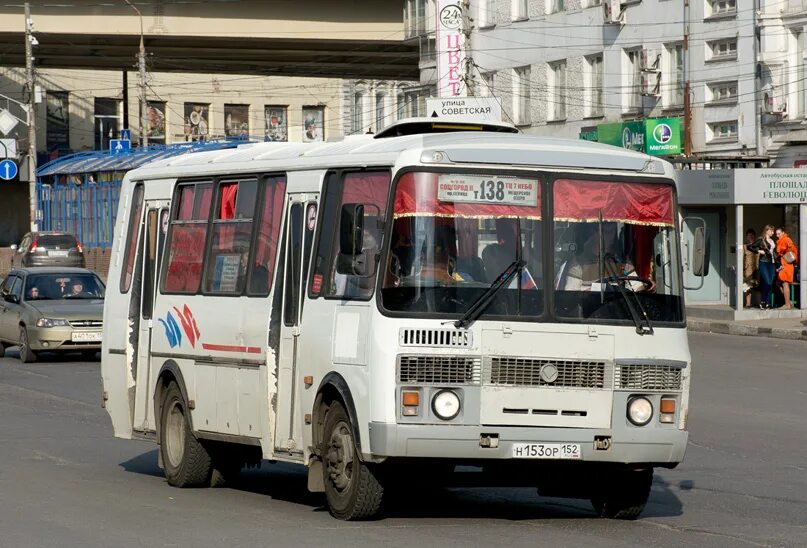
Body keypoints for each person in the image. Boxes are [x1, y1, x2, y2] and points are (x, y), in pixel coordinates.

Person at [749, 225, 777, 309]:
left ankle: (767, 303)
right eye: (771, 231)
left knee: (770, 283)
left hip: (772, 263)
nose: (773, 232)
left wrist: (777, 263)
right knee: (768, 282)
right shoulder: (761, 240)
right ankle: (763, 300)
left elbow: (773, 252)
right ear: (767, 230)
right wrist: (759, 251)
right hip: (763, 263)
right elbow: (750, 247)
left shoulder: (772, 240)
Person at [775, 227, 798, 309]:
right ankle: (788, 301)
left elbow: (781, 250)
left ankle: (787, 304)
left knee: (785, 283)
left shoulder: (784, 240)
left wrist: (779, 252)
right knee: (778, 282)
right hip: (786, 264)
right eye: (776, 234)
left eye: (779, 233)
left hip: (786, 264)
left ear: (783, 232)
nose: (777, 235)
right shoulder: (786, 239)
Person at [742, 228, 759, 308]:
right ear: (746, 237)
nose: (750, 237)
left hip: (756, 269)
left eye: (752, 236)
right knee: (747, 287)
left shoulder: (758, 246)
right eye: (749, 236)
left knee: (758, 287)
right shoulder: (744, 247)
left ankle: (759, 303)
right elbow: (741, 258)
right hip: (747, 270)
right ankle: (748, 303)